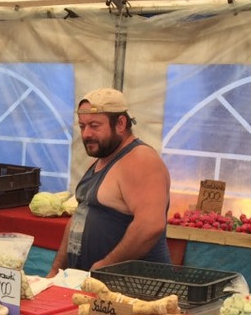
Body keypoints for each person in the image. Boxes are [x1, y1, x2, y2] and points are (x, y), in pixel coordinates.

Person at [47, 88, 172, 276]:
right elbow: (79, 217)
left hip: (134, 292)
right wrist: (56, 271)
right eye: (82, 126)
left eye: (95, 125)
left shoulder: (141, 160)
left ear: (120, 123)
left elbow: (150, 226)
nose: (86, 134)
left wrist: (105, 265)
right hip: (93, 286)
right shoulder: (99, 161)